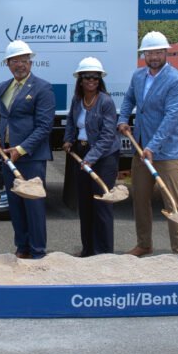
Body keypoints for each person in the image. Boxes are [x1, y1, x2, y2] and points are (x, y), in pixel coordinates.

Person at [117, 31, 178, 256]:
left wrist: (152, 147)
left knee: (172, 202)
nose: (154, 57)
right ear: (144, 55)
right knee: (140, 199)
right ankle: (144, 244)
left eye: (158, 52)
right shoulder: (138, 76)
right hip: (141, 148)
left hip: (166, 152)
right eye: (149, 53)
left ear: (166, 52)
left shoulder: (177, 80)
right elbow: (129, 99)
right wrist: (123, 119)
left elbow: (171, 118)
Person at [0, 40, 55, 259]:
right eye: (15, 61)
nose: (20, 65)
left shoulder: (42, 88)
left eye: (24, 60)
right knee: (16, 205)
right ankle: (22, 248)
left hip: (31, 158)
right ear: (8, 64)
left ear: (31, 62)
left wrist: (21, 149)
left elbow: (45, 126)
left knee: (33, 206)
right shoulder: (2, 87)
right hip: (8, 157)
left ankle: (37, 252)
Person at [63, 57, 121, 256]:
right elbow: (71, 122)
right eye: (87, 77)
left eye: (95, 78)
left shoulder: (106, 101)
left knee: (101, 204)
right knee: (85, 204)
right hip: (81, 153)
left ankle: (104, 253)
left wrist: (92, 157)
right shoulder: (77, 100)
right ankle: (88, 250)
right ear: (80, 80)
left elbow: (108, 135)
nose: (91, 81)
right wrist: (68, 139)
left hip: (104, 157)